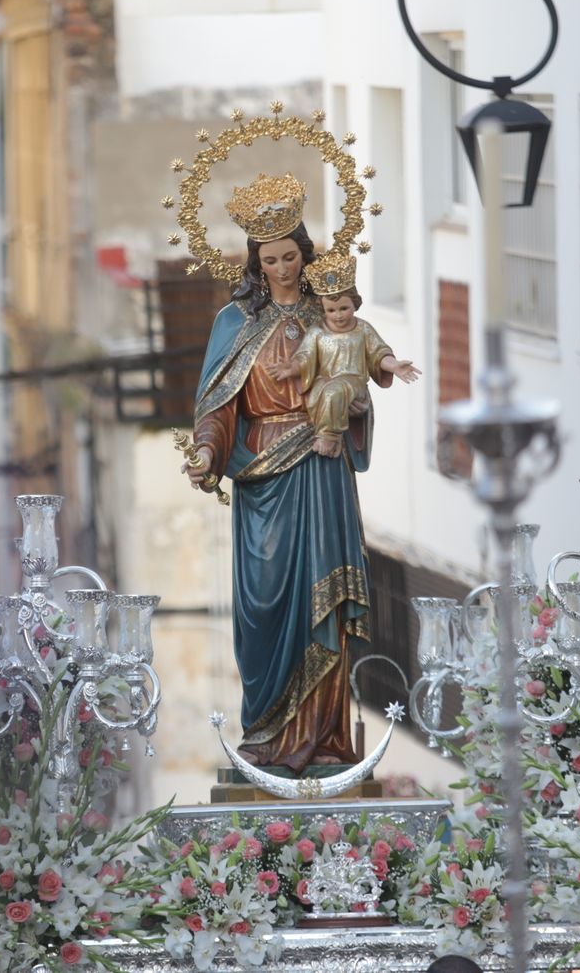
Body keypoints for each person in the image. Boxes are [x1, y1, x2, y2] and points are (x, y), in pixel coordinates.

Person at [181, 172, 395, 772]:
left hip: (322, 470)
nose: (281, 269)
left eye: (291, 256)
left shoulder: (330, 315)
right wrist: (205, 452)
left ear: (307, 252)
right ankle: (267, 733)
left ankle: (325, 741)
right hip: (262, 476)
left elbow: (356, 376)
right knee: (266, 604)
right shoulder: (234, 322)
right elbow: (217, 407)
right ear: (255, 260)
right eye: (269, 259)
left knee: (317, 604)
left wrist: (352, 403)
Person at [290, 287, 420, 459]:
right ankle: (326, 432)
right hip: (324, 381)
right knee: (317, 397)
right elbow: (305, 356)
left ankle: (329, 437)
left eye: (344, 308)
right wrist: (291, 368)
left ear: (355, 304)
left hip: (353, 381)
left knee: (333, 392)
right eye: (331, 310)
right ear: (323, 310)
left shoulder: (363, 329)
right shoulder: (317, 331)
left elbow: (378, 353)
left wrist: (394, 366)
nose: (338, 315)